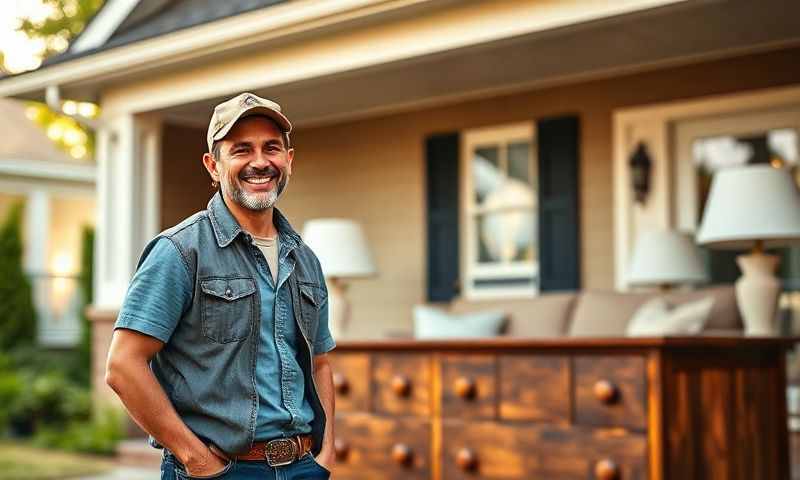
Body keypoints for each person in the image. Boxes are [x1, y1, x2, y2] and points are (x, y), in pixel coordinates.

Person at [105, 92, 335, 480]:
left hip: (303, 467)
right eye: (242, 149)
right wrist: (197, 461)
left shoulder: (305, 260)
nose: (260, 162)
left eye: (271, 148)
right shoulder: (180, 251)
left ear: (288, 161)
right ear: (213, 166)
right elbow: (123, 366)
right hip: (219, 471)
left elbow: (320, 362)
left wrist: (326, 453)